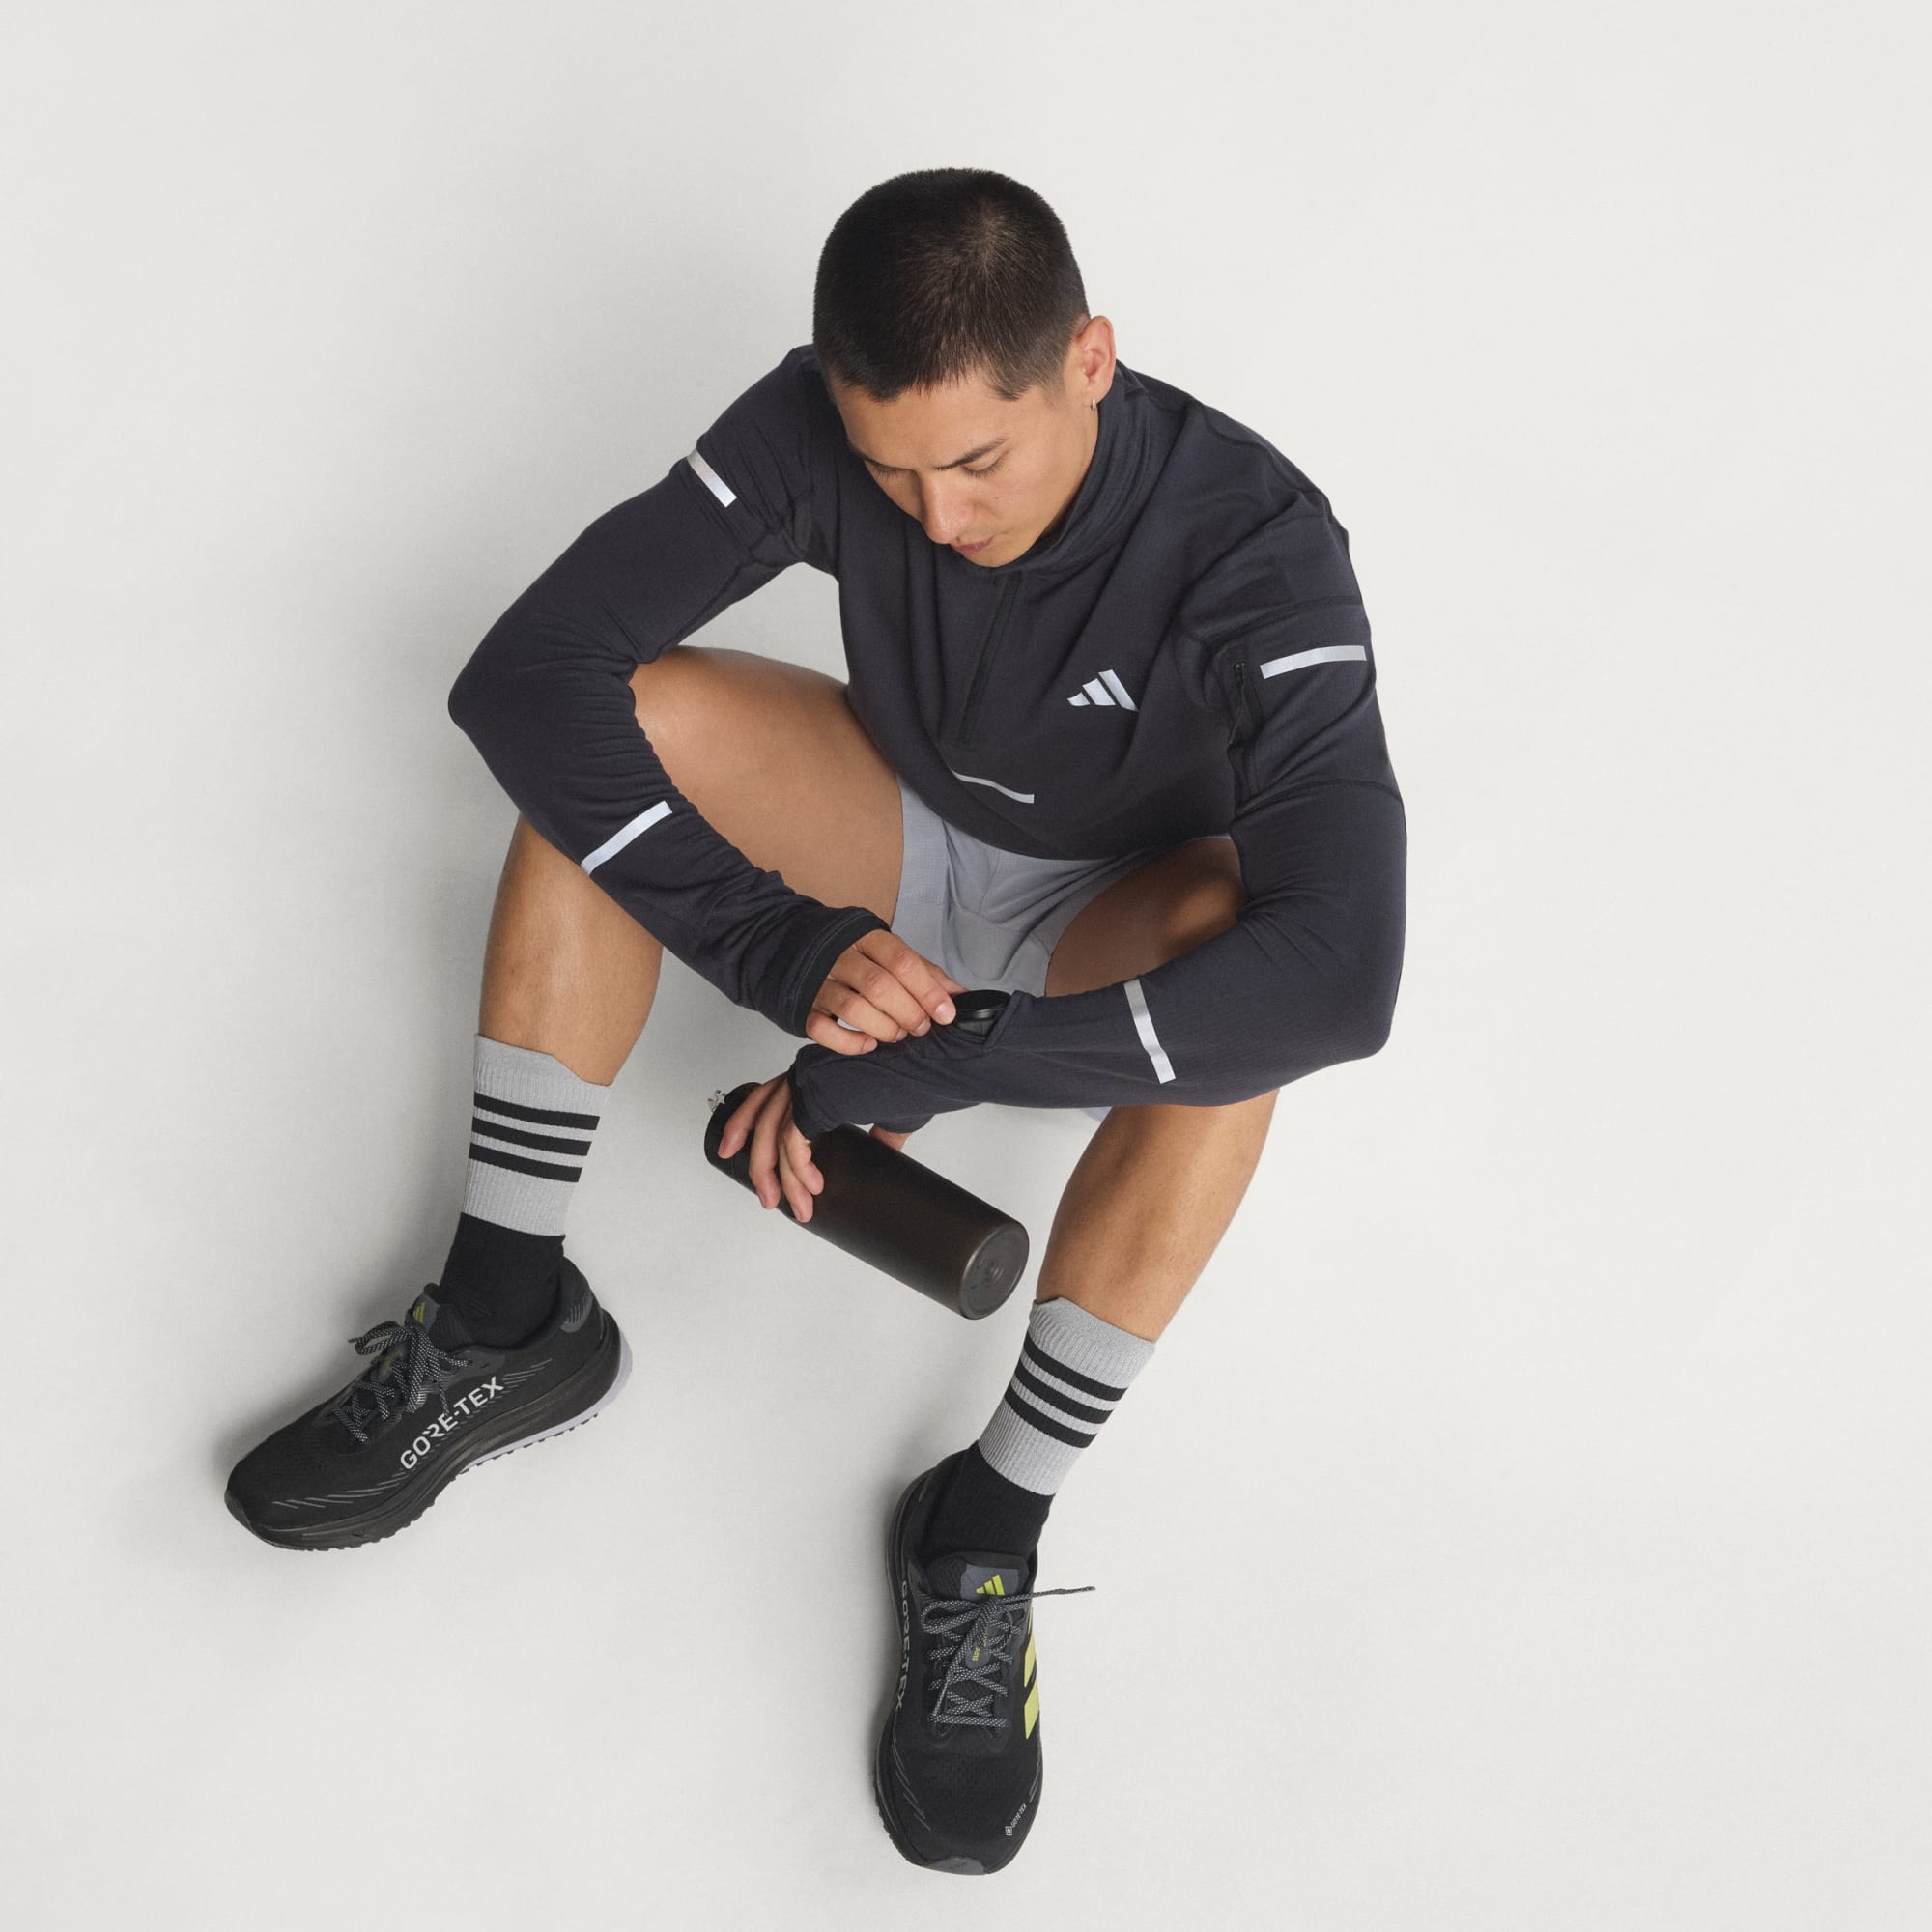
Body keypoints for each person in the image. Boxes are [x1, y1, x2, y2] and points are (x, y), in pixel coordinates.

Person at [225, 166, 1407, 1874]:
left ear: (1089, 361)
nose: (933, 516)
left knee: (1252, 996)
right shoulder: (808, 424)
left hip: (1114, 903)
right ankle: (506, 1314)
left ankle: (985, 1520)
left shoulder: (1257, 542)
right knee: (617, 729)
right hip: (894, 819)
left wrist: (951, 1055)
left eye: (977, 462)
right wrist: (783, 951)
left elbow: (1347, 973)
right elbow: (526, 674)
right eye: (888, 471)